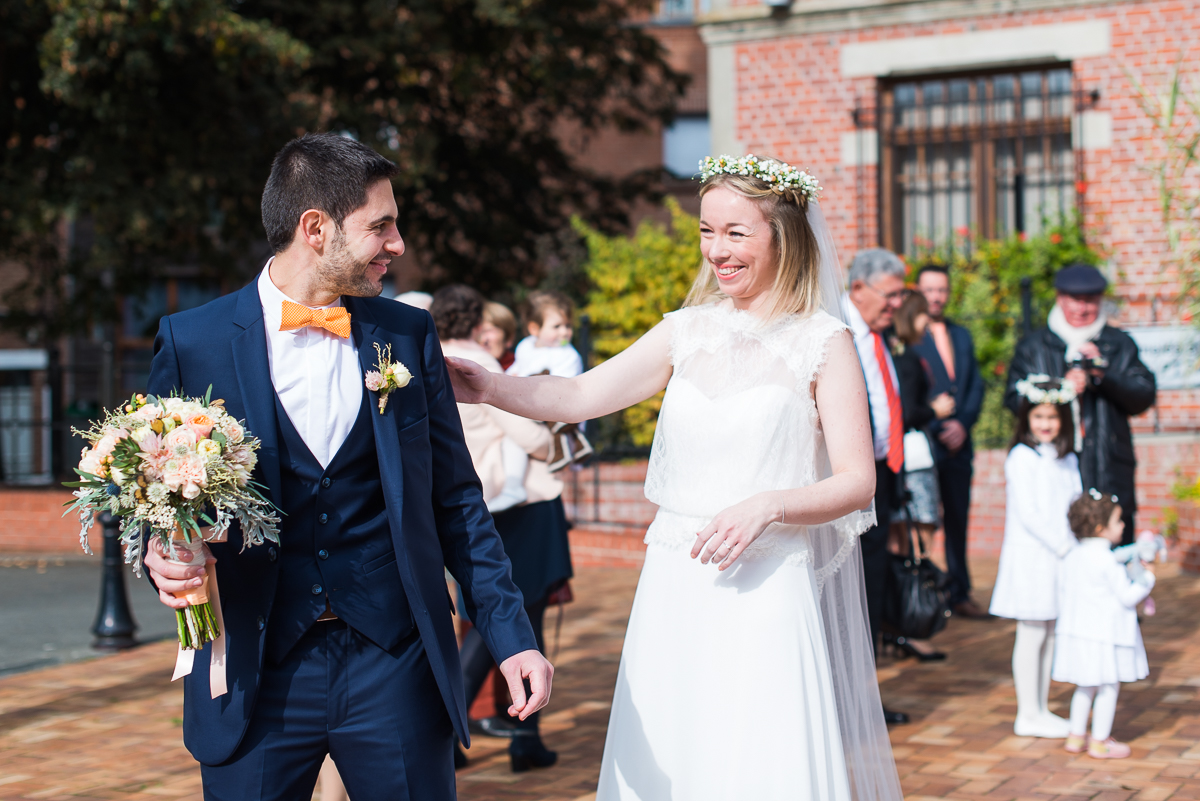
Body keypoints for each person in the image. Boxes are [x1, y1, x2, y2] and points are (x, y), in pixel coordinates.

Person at [447, 154, 904, 801]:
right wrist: (491, 385)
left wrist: (769, 505)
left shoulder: (822, 342)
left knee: (757, 758)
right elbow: (578, 395)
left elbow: (858, 481)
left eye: (735, 232)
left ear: (783, 234)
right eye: (706, 231)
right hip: (675, 581)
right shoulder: (685, 332)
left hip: (768, 584)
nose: (716, 250)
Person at [140, 133, 552, 801]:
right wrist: (157, 551)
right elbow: (148, 487)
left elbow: (456, 504)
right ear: (315, 228)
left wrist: (512, 639)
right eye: (381, 225)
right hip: (256, 666)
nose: (399, 244)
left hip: (396, 662)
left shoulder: (406, 334)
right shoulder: (196, 342)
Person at [430, 285, 572, 773]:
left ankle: (524, 737)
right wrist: (553, 444)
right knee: (511, 621)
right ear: (474, 320)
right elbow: (530, 434)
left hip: (471, 507)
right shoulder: (476, 365)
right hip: (518, 508)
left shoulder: (422, 361)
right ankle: (457, 734)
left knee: (497, 620)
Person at [1004, 264, 1157, 544]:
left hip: (1107, 465)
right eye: (1076, 300)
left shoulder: (1118, 344)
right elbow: (1014, 400)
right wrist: (1060, 389)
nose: (1082, 308)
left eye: (1091, 300)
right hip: (1055, 466)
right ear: (1060, 298)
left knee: (1112, 544)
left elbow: (1143, 396)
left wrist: (1103, 375)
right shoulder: (1033, 346)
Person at [989, 376, 1081, 738]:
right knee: (1031, 632)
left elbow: (1074, 503)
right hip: (1032, 557)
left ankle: (1041, 708)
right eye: (1038, 416)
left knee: (1050, 632)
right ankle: (1027, 711)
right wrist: (1062, 545)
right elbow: (1029, 513)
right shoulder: (1021, 457)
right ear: (1027, 416)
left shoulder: (1066, 458)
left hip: (1062, 557)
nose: (1045, 424)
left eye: (1053, 417)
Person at [843, 247, 911, 726]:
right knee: (851, 592)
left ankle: (863, 697)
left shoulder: (878, 336)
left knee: (872, 587)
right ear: (859, 288)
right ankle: (848, 702)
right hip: (846, 484)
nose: (896, 306)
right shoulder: (839, 332)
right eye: (890, 296)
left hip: (882, 476)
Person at [912, 264, 987, 618]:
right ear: (919, 291)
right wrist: (938, 422)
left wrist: (963, 424)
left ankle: (960, 591)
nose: (936, 296)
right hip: (928, 441)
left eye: (942, 289)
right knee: (924, 520)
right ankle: (925, 594)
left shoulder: (962, 335)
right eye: (929, 290)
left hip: (960, 444)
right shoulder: (910, 337)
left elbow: (974, 385)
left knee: (959, 518)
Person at [1054, 490, 1153, 758]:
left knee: (1085, 685)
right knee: (1108, 686)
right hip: (1105, 637)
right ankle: (1099, 741)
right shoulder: (1107, 561)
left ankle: (1076, 736)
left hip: (1078, 633)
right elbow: (1127, 597)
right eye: (1118, 521)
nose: (1123, 525)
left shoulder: (1072, 557)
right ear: (1101, 528)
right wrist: (1147, 580)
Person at [886, 291, 955, 662]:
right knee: (920, 540)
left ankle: (900, 625)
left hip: (903, 460)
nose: (927, 324)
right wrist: (935, 409)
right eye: (922, 316)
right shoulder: (908, 358)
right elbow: (907, 412)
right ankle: (914, 622)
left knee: (903, 541)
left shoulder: (896, 354)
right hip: (913, 458)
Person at [508, 290, 584, 379]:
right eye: (556, 326)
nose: (564, 332)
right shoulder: (526, 345)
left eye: (568, 325)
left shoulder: (569, 356)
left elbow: (562, 387)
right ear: (534, 329)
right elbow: (517, 367)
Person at [480, 300, 518, 370]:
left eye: (489, 330)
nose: (483, 339)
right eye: (479, 332)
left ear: (509, 338)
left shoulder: (522, 370)